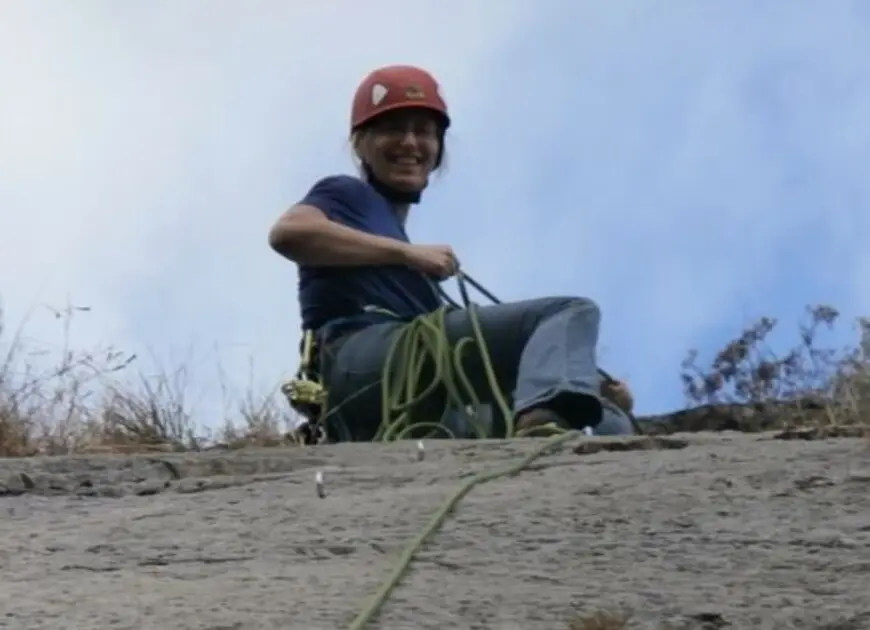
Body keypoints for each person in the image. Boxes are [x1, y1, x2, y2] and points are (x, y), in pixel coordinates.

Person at [268, 64, 635, 442]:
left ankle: (548, 427)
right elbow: (289, 233)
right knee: (570, 312)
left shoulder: (409, 265)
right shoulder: (347, 194)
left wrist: (590, 383)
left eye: (424, 132)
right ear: (361, 144)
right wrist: (407, 255)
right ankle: (541, 427)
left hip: (406, 388)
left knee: (607, 419)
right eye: (394, 129)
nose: (410, 142)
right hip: (358, 360)